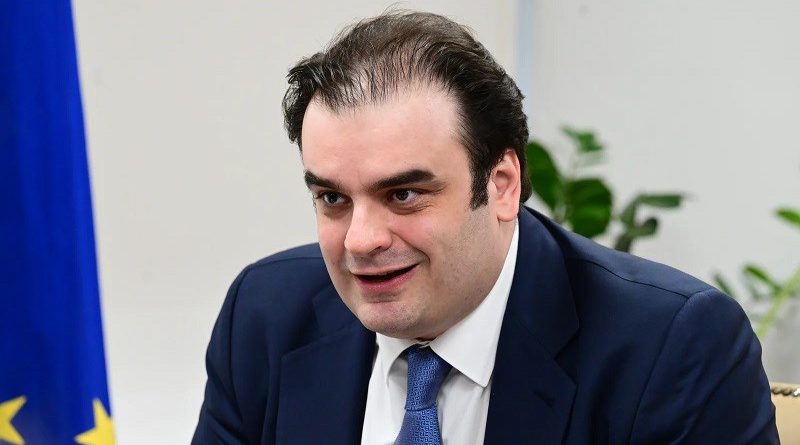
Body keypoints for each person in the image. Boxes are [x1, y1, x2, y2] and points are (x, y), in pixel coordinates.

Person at [192, 11, 778, 445]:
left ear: (501, 185)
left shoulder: (672, 347)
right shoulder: (266, 316)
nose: (361, 240)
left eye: (403, 195)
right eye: (332, 198)